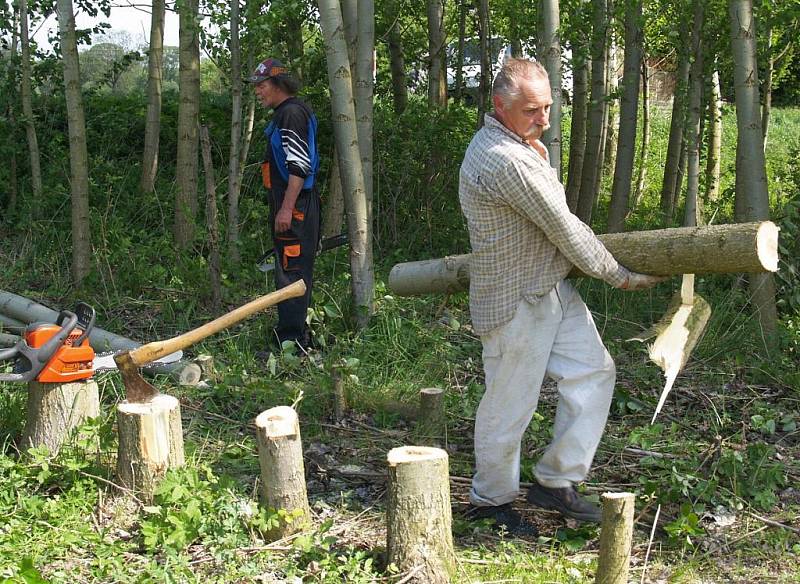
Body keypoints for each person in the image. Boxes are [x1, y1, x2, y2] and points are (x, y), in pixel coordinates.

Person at [458, 58, 665, 536]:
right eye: (533, 109)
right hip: (513, 299)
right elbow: (564, 227)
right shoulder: (504, 159)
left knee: (595, 370)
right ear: (499, 107)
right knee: (510, 404)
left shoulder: (521, 145)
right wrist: (620, 276)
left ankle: (556, 481)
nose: (545, 119)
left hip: (549, 287)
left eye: (549, 107)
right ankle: (489, 503)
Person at [249, 58, 321, 351]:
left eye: (262, 85)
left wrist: (286, 208)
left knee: (291, 272)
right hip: (294, 204)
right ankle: (293, 334)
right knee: (291, 269)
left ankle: (293, 343)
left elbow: (299, 167)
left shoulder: (291, 114)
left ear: (278, 85)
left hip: (296, 206)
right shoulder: (285, 113)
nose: (258, 92)